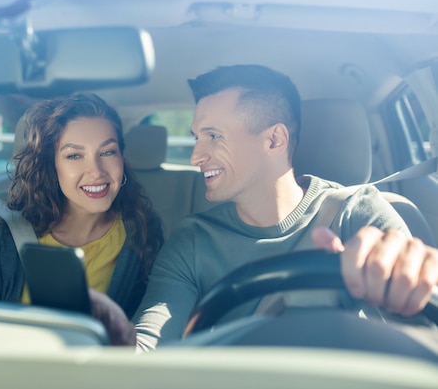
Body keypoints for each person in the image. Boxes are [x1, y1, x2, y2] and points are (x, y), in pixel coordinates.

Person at [92, 64, 438, 350]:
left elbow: (420, 301)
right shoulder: (193, 240)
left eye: (213, 136)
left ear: (274, 139)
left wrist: (411, 278)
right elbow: (151, 345)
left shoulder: (357, 213)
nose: (196, 156)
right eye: (197, 137)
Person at [0, 92, 164, 344]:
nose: (96, 171)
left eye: (107, 152)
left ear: (121, 159)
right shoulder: (1, 238)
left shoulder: (142, 235)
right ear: (51, 165)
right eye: (74, 155)